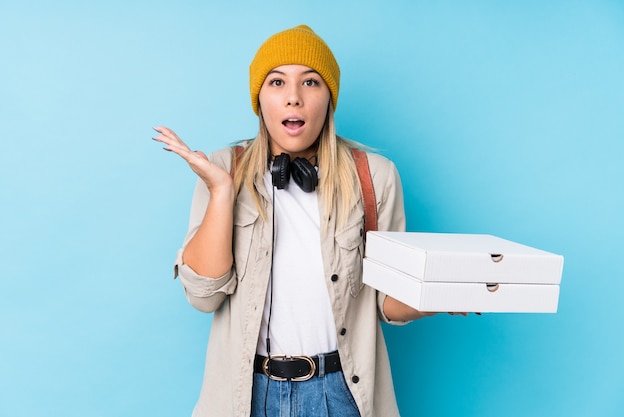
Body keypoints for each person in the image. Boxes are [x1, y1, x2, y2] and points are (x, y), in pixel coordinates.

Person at [153, 24, 446, 417]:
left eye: (310, 82)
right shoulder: (222, 169)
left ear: (329, 98)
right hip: (247, 396)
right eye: (277, 82)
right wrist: (221, 191)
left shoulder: (374, 176)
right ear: (260, 100)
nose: (293, 97)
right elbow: (204, 298)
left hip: (340, 393)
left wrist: (443, 294)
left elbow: (386, 303)